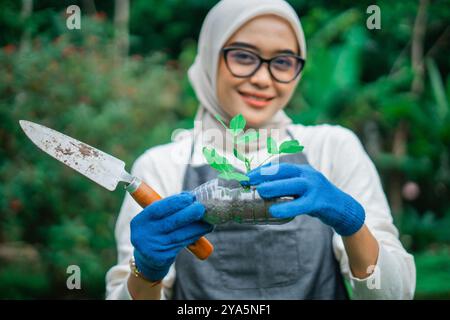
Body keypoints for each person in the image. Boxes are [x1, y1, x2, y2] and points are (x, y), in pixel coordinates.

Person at [106, 0, 415, 300]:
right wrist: (145, 273)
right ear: (211, 56)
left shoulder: (332, 148)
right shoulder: (162, 166)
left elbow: (395, 295)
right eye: (243, 56)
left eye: (282, 62)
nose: (262, 78)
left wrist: (352, 223)